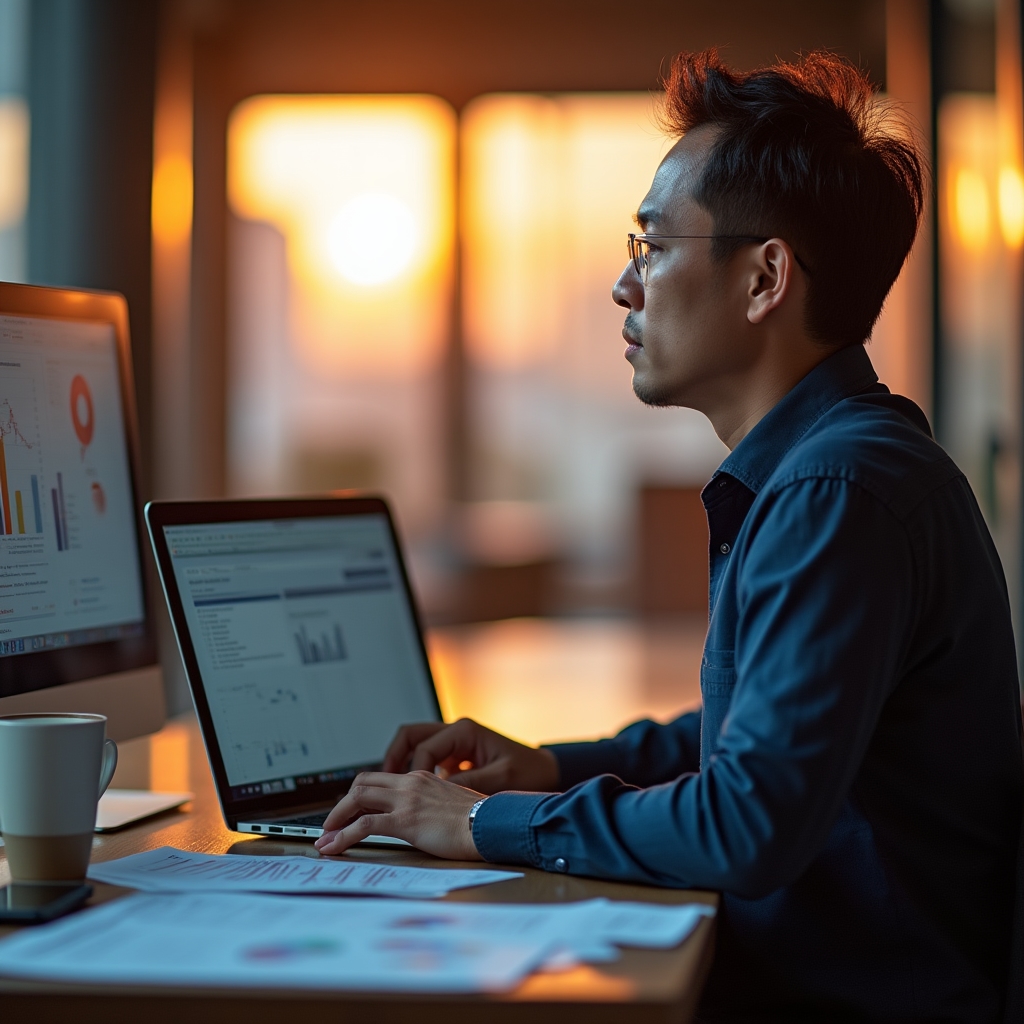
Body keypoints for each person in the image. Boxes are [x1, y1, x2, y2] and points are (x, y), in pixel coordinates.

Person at [316, 50, 1024, 1021]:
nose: (622, 285)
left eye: (651, 247)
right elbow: (754, 739)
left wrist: (482, 819)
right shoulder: (835, 467)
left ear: (764, 277)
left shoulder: (835, 489)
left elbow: (747, 820)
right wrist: (554, 766)